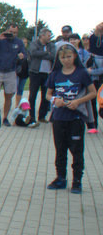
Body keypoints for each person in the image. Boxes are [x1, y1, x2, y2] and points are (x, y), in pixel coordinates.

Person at [46, 44, 97, 193]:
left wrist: (77, 102)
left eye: (69, 56)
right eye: (63, 57)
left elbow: (92, 92)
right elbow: (48, 94)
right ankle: (60, 178)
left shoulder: (82, 73)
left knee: (76, 150)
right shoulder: (55, 74)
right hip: (59, 117)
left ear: (74, 56)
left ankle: (77, 181)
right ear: (58, 59)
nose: (66, 60)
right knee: (60, 149)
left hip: (75, 118)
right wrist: (55, 100)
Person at [0, 23, 26, 126]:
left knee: (8, 96)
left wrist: (22, 56)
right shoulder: (0, 40)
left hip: (11, 71)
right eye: (11, 32)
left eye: (15, 32)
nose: (12, 34)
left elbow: (24, 54)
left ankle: (5, 118)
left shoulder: (19, 42)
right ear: (7, 30)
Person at [26, 28, 55, 127]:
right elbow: (33, 53)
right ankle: (32, 116)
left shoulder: (51, 45)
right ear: (42, 35)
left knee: (46, 95)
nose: (49, 37)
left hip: (47, 74)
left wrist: (42, 54)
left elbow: (53, 56)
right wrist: (47, 53)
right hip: (35, 73)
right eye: (48, 35)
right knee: (32, 95)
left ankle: (42, 116)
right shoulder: (34, 43)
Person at [14, 36, 30, 109]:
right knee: (14, 89)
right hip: (17, 73)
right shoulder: (16, 51)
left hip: (24, 74)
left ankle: (17, 105)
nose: (24, 44)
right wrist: (18, 58)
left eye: (25, 43)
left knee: (20, 90)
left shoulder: (28, 52)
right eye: (23, 42)